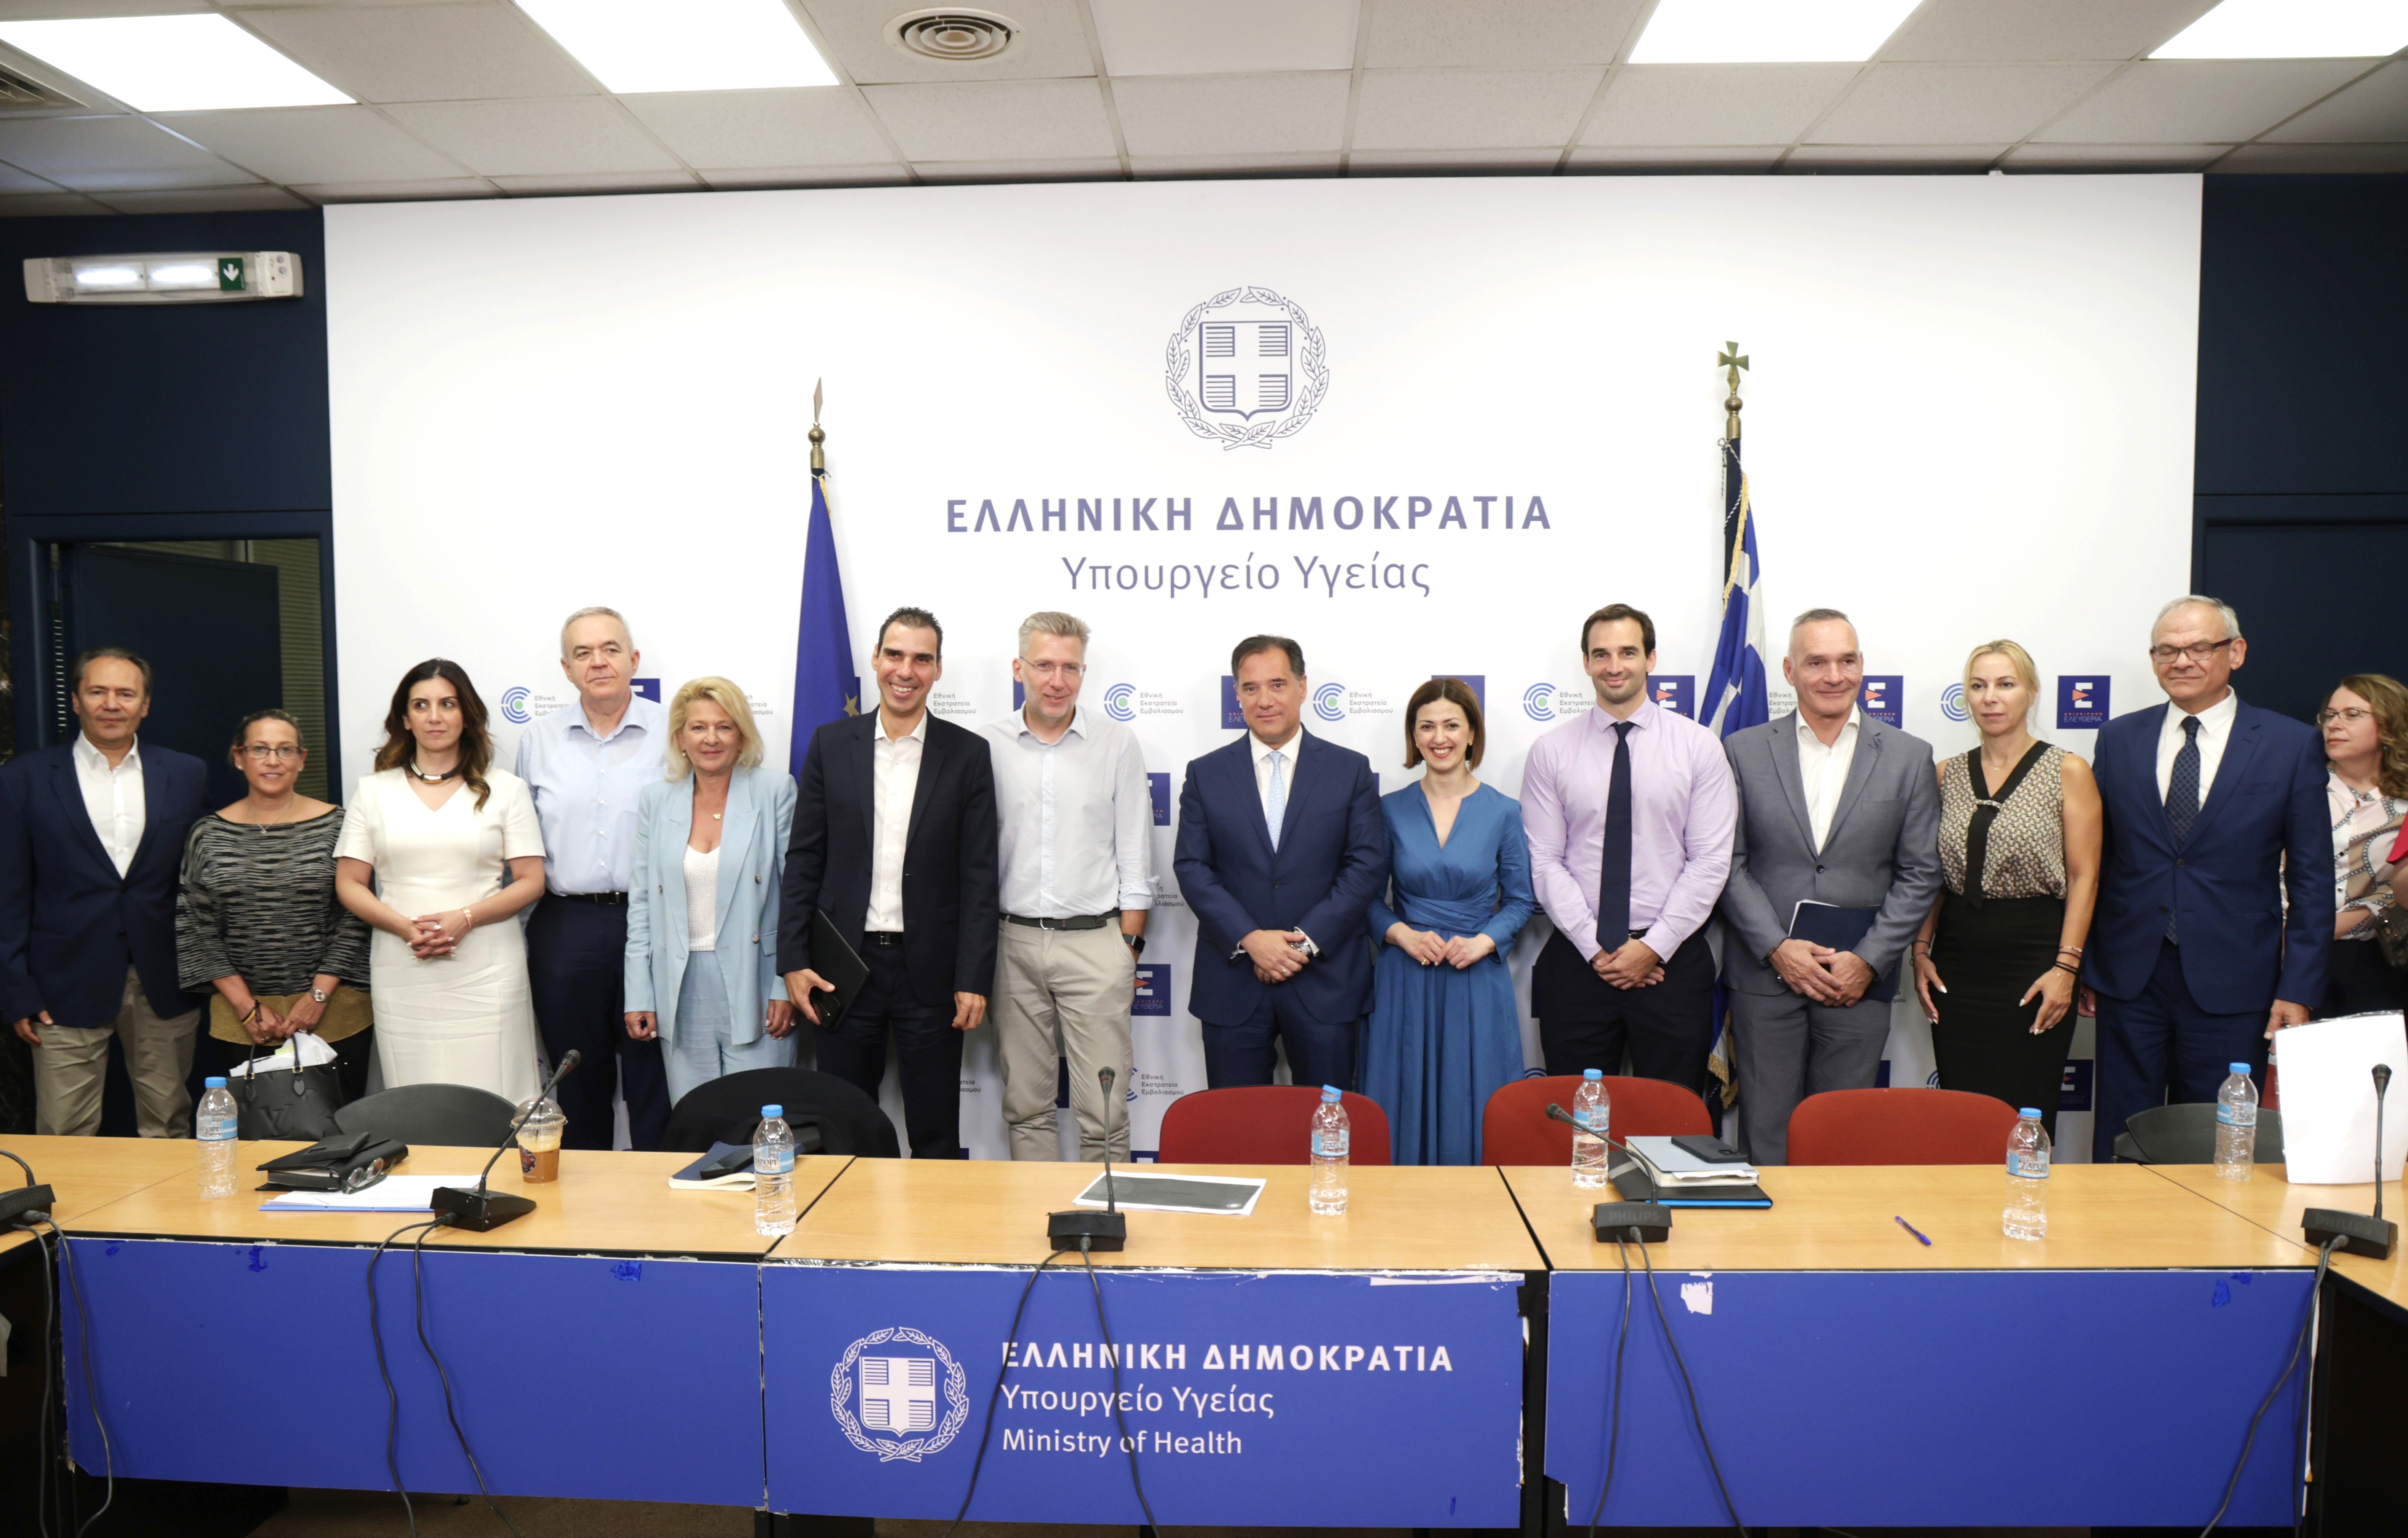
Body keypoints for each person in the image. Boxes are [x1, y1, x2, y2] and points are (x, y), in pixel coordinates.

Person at [2087, 596, 2330, 1161]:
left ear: (2235, 652)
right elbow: (2099, 860)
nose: (2181, 660)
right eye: (2166, 650)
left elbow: (2312, 878)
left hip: (2235, 980)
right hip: (2129, 976)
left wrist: (2298, 987)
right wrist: (2088, 964)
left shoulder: (2289, 744)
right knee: (2121, 1138)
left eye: (2199, 647)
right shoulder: (2118, 737)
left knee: (2216, 1146)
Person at [1718, 609, 1942, 1166]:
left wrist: (1867, 960)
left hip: (1856, 981)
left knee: (1841, 1141)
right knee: (1765, 1135)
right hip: (1765, 976)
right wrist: (1776, 947)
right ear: (1789, 670)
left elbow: (1920, 872)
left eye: (1846, 661)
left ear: (1862, 665)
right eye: (1816, 662)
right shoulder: (1742, 749)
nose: (1833, 675)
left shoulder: (1909, 755)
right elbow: (1726, 862)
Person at [781, 608, 999, 1160]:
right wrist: (793, 959)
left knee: (935, 1133)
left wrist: (974, 976)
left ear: (938, 669)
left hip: (932, 971)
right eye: (895, 655)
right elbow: (803, 859)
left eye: (922, 659)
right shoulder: (830, 744)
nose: (906, 670)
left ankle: (934, 1222)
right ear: (876, 659)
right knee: (844, 1130)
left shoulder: (968, 753)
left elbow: (979, 875)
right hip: (842, 969)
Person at [1522, 604, 1736, 1099]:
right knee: (1576, 1119)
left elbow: (1709, 861)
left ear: (1651, 658)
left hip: (1671, 962)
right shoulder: (1552, 750)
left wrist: (1653, 947)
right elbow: (1545, 860)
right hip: (1578, 960)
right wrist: (1597, 948)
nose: (1614, 665)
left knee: (1670, 1116)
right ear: (1586, 662)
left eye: (1628, 652)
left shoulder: (1698, 747)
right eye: (1601, 654)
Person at [0, 648, 207, 1137]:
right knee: (64, 1133)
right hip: (61, 983)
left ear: (145, 704)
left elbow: (200, 882)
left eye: (125, 693)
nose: (111, 704)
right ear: (76, 700)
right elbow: (8, 891)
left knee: (168, 1127)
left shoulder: (186, 773)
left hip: (165, 980)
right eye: (97, 691)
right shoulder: (23, 778)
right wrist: (17, 990)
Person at [1172, 636, 1387, 1092]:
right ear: (1237, 694)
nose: (1264, 700)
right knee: (1236, 1124)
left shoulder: (1349, 770)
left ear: (1302, 686)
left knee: (1326, 1121)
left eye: (1277, 684)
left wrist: (1301, 946)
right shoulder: (1205, 773)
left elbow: (1366, 865)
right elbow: (1192, 867)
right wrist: (1252, 940)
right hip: (1232, 983)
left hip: (1326, 982)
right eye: (1250, 688)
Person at [1909, 642, 2101, 1140]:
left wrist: (2066, 968)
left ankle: (2026, 1193)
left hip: (2035, 961)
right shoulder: (1945, 774)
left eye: (2005, 684)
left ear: (2031, 692)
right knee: (1963, 1116)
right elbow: (1931, 873)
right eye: (1978, 685)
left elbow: (2084, 876)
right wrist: (1920, 950)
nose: (1990, 697)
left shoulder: (2067, 770)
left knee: (2026, 1115)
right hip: (1957, 963)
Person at [982, 612, 1154, 1163]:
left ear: (1083, 672)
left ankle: (1108, 1215)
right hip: (1010, 944)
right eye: (1044, 665)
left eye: (1070, 668)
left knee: (1105, 1113)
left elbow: (1135, 853)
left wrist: (1127, 947)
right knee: (1026, 1108)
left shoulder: (1116, 742)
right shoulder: (986, 744)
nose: (1057, 680)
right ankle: (1039, 1214)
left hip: (1097, 943)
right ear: (1019, 669)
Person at [335, 660, 547, 1104]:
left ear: (466, 715)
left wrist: (466, 917)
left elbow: (531, 881)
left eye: (448, 704)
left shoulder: (506, 790)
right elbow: (350, 883)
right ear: (404, 718)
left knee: (495, 1095)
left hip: (487, 968)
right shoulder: (373, 791)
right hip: (404, 965)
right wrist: (404, 927)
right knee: (417, 1100)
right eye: (421, 705)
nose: (435, 716)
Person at [516, 606, 673, 1150]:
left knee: (656, 1075)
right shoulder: (538, 740)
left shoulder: (673, 731)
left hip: (654, 921)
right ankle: (584, 1197)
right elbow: (521, 842)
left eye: (610, 649)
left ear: (634, 659)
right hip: (567, 925)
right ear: (566, 668)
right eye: (583, 653)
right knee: (577, 1078)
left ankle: (660, 1190)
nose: (598, 662)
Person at [1363, 678, 1533, 1163]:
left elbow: (1521, 900)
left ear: (1472, 733)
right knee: (1401, 1097)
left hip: (1474, 975)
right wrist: (1402, 935)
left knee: (1472, 1100)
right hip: (1405, 975)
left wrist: (1484, 941)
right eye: (1427, 726)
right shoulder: (1387, 809)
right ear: (1414, 737)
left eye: (1452, 725)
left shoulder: (1504, 811)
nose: (1440, 737)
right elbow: (1367, 899)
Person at [176, 710, 375, 1102]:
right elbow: (197, 927)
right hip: (242, 1021)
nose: (273, 760)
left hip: (336, 1012)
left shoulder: (339, 825)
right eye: (260, 749)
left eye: (285, 750)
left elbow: (356, 918)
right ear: (239, 757)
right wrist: (248, 1008)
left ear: (302, 760)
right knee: (259, 1132)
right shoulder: (208, 834)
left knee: (342, 1127)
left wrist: (317, 997)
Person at [624, 678, 797, 1104]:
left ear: (742, 735)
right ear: (680, 738)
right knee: (697, 1120)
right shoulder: (656, 800)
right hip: (678, 987)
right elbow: (642, 904)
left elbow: (796, 900)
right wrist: (639, 992)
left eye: (724, 726)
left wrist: (785, 985)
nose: (711, 738)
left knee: (758, 1119)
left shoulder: (775, 791)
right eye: (698, 727)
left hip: (757, 982)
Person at [2316, 673, 2408, 1017]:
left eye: (2352, 715)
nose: (2334, 724)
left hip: (2374, 963)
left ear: (2388, 725)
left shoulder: (2404, 806)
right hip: (2285, 952)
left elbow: (2396, 892)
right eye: (2330, 715)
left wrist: (2340, 924)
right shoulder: (2299, 789)